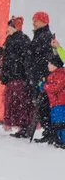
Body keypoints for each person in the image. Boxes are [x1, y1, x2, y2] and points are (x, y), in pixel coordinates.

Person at [0, 17, 35, 137]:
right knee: (17, 103)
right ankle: (23, 127)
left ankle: (24, 127)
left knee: (20, 103)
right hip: (14, 76)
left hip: (18, 76)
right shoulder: (13, 39)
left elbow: (26, 59)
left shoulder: (19, 39)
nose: (7, 29)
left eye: (9, 26)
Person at [25, 11, 54, 143]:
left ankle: (49, 132)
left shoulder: (45, 36)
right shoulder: (39, 35)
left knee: (43, 106)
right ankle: (47, 131)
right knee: (41, 106)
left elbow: (43, 57)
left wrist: (41, 74)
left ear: (44, 21)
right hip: (37, 75)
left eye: (36, 20)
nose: (34, 23)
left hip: (41, 76)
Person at [39, 54, 65, 148]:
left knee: (61, 122)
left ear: (55, 65)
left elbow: (55, 87)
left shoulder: (60, 74)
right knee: (55, 122)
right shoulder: (53, 75)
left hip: (61, 103)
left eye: (50, 63)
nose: (48, 65)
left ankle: (63, 140)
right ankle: (57, 138)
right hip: (54, 103)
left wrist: (44, 86)